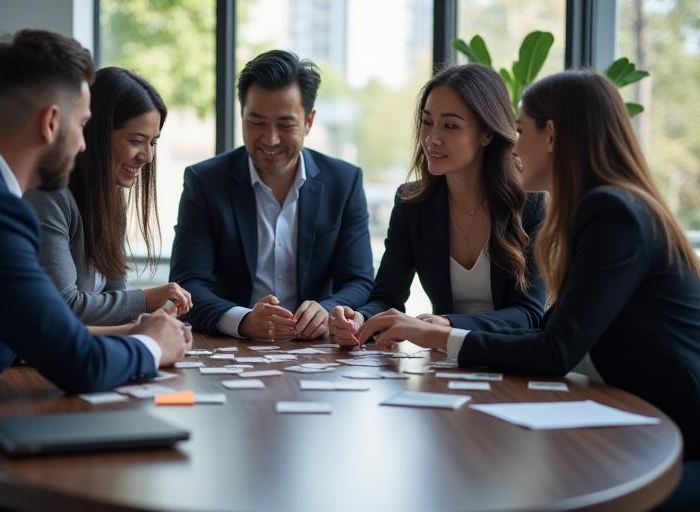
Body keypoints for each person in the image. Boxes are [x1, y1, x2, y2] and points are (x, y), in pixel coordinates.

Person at [357, 71, 700, 471]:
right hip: (641, 421)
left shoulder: (611, 213)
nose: (515, 145)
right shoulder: (602, 207)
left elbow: (554, 349)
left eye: (521, 131)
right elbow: (553, 333)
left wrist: (438, 334)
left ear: (551, 136)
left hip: (679, 436)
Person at [0, 30, 187, 509]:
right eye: (83, 124)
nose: (84, 143)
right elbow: (79, 364)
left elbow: (25, 332)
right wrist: (153, 344)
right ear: (52, 122)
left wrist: (128, 330)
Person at [330, 64, 546, 345]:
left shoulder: (529, 203)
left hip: (511, 359)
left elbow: (529, 314)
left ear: (487, 134)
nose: (432, 139)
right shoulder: (412, 203)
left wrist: (447, 324)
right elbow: (386, 297)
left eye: (451, 126)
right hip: (447, 360)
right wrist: (360, 318)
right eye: (427, 122)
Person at [170, 50, 374, 340]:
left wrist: (327, 310)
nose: (270, 138)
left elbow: (359, 280)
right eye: (256, 122)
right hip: (232, 348)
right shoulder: (205, 182)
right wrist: (243, 320)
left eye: (285, 124)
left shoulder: (344, 182)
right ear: (242, 116)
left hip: (316, 350)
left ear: (309, 121)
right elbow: (187, 285)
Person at [25, 67, 191, 326]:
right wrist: (146, 300)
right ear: (95, 135)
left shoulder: (110, 199)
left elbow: (115, 300)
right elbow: (64, 307)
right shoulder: (48, 197)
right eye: (136, 141)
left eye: (153, 143)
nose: (148, 157)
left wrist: (151, 319)